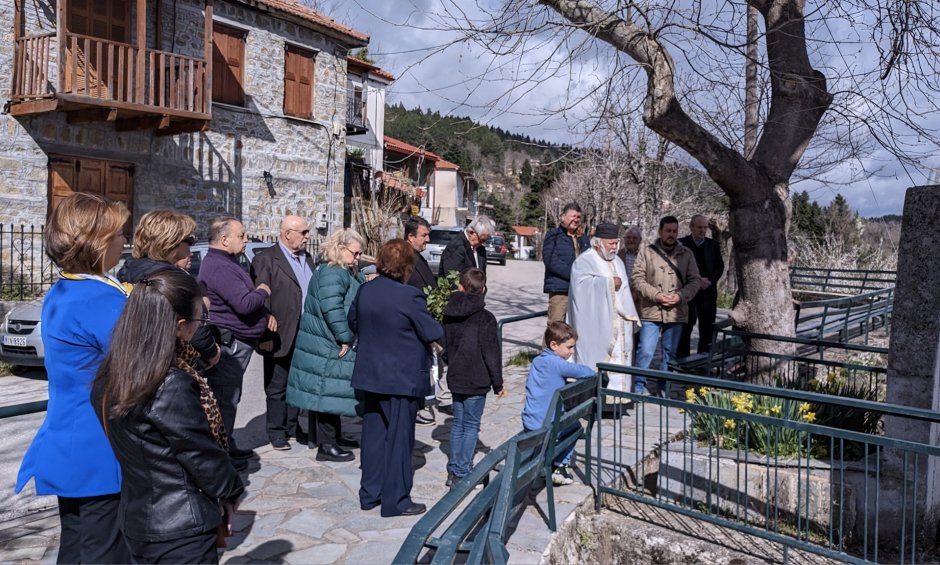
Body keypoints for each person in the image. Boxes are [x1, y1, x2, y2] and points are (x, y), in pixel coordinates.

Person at [93, 270, 244, 564]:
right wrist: (231, 490)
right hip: (179, 529)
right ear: (179, 326)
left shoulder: (111, 374)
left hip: (139, 519)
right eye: (200, 321)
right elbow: (200, 453)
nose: (200, 330)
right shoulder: (168, 383)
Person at [15, 193, 132, 563]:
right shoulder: (96, 297)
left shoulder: (68, 288)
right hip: (100, 442)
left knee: (78, 545)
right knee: (104, 550)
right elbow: (141, 362)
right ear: (96, 243)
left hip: (71, 438)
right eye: (117, 234)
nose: (123, 242)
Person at [351, 239, 443, 517]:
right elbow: (431, 332)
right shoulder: (410, 296)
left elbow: (352, 322)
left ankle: (370, 493)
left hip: (370, 374)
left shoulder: (366, 290)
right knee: (401, 440)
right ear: (406, 267)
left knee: (374, 437)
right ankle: (396, 500)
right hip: (400, 378)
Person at [198, 217, 273, 464]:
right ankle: (221, 454)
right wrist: (262, 290)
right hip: (233, 343)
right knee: (225, 398)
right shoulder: (220, 267)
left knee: (229, 397)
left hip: (240, 340)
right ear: (224, 239)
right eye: (241, 235)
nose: (246, 240)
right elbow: (243, 303)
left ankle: (226, 443)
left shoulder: (227, 263)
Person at [287, 228, 365, 462]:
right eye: (355, 253)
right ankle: (327, 445)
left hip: (327, 341)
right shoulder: (333, 273)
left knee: (331, 392)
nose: (358, 258)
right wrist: (345, 337)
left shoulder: (340, 270)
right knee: (326, 392)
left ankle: (333, 438)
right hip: (328, 343)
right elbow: (333, 310)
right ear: (341, 249)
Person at [117, 209, 221, 370]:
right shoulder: (173, 280)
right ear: (171, 242)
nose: (191, 247)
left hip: (134, 364)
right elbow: (195, 328)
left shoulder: (129, 271)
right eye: (189, 240)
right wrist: (212, 352)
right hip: (171, 365)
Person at [251, 215, 315, 450]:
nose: (308, 237)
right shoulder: (266, 260)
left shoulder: (307, 258)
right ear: (288, 234)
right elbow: (261, 299)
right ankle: (276, 431)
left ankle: (292, 425)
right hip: (278, 333)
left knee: (297, 382)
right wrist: (264, 335)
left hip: (305, 333)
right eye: (304, 232)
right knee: (277, 384)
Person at [441, 268, 504, 488]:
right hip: (477, 378)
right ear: (483, 290)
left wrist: (451, 360)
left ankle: (453, 470)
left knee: (458, 424)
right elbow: (491, 353)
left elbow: (446, 345)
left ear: (460, 287)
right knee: (470, 425)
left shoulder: (449, 313)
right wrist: (498, 383)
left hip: (457, 375)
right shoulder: (485, 318)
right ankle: (461, 471)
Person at [631, 216, 702, 396]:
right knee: (646, 351)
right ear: (660, 231)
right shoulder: (646, 252)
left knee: (669, 353)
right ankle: (639, 385)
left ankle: (664, 386)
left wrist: (680, 296)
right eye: (668, 231)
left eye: (674, 231)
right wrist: (656, 295)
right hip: (651, 310)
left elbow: (695, 280)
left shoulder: (686, 254)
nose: (671, 235)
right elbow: (637, 279)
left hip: (676, 312)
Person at [567, 222, 641, 395]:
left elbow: (624, 293)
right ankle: (596, 400)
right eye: (611, 243)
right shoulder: (584, 261)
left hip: (619, 323)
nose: (615, 247)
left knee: (620, 365)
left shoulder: (618, 262)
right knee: (597, 362)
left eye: (616, 243)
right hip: (595, 325)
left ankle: (618, 401)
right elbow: (581, 289)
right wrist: (608, 283)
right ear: (598, 243)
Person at [521, 322, 595, 486]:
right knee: (575, 428)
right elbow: (587, 372)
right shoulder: (557, 364)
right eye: (569, 347)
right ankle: (560, 466)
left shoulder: (538, 361)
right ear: (554, 345)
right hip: (547, 421)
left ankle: (546, 461)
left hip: (530, 418)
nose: (572, 351)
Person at [403, 216, 439, 427]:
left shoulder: (418, 257)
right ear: (410, 236)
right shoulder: (404, 259)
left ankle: (416, 406)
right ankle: (412, 407)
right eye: (424, 235)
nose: (428, 239)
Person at [678, 215, 725, 356]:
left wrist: (710, 281)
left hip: (708, 293)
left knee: (707, 328)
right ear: (691, 227)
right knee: (686, 327)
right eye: (699, 227)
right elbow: (678, 267)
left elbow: (719, 267)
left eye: (705, 227)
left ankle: (703, 359)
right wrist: (697, 281)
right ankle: (682, 359)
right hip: (688, 293)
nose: (702, 230)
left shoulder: (713, 245)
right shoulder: (682, 244)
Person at [542, 203, 591, 324]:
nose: (576, 219)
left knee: (577, 326)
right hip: (560, 289)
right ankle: (548, 344)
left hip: (581, 290)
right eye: (573, 216)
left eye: (578, 217)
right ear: (563, 217)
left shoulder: (583, 238)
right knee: (556, 327)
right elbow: (550, 260)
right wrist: (573, 274)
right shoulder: (553, 235)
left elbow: (590, 260)